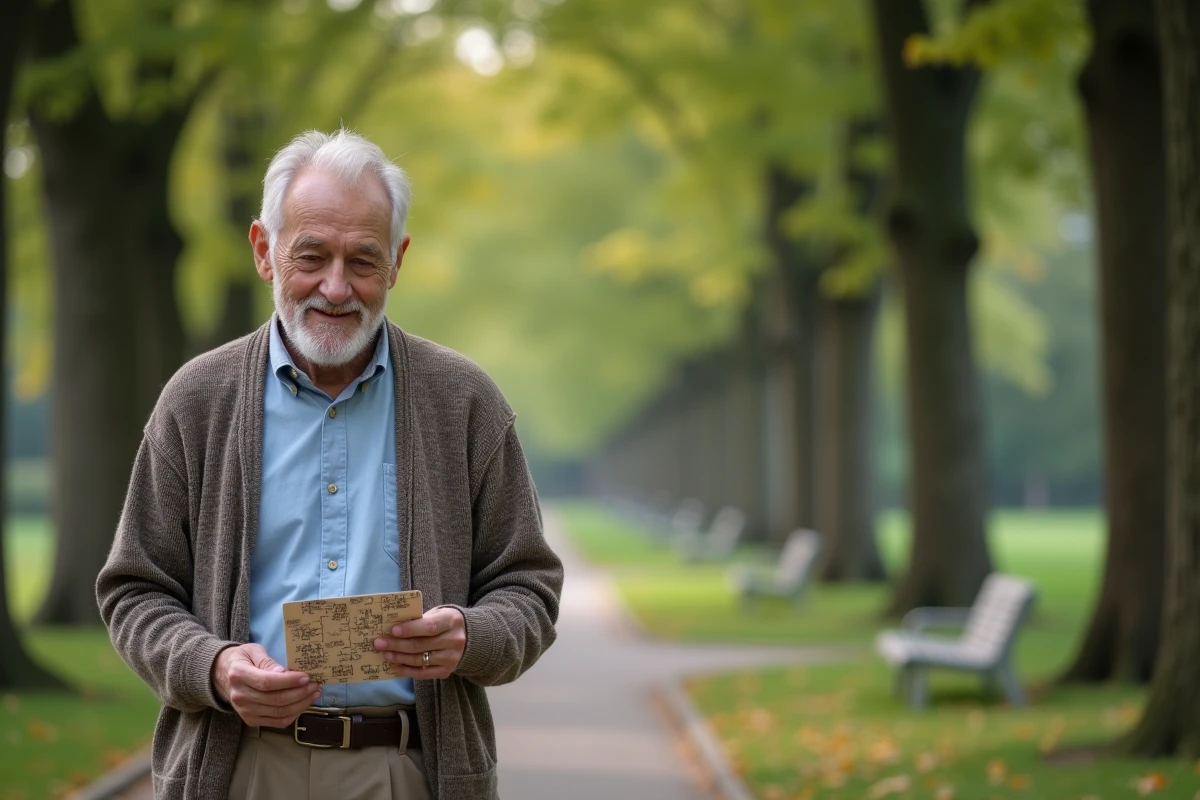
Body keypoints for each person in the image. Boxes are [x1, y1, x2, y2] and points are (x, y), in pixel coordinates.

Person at [96, 129, 564, 800]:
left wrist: (473, 634)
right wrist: (215, 664)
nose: (336, 287)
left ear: (397, 262)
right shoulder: (196, 402)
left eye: (363, 261)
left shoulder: (465, 402)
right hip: (239, 769)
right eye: (312, 255)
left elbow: (531, 589)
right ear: (264, 251)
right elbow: (134, 591)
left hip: (407, 771)